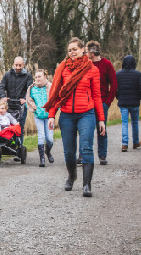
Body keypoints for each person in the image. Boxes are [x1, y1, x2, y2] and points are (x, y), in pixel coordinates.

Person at [44, 37, 105, 198]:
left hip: (87, 113)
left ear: (82, 50)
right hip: (66, 115)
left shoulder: (92, 69)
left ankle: (87, 185)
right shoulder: (62, 69)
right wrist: (51, 115)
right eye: (69, 50)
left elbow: (97, 96)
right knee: (69, 152)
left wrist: (101, 119)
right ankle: (72, 176)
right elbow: (55, 94)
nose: (72, 52)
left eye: (75, 49)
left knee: (86, 148)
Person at [85, 41, 117, 165]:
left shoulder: (107, 65)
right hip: (87, 101)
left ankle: (102, 155)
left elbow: (114, 84)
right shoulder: (85, 64)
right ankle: (83, 155)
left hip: (102, 101)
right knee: (86, 129)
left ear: (92, 52)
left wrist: (108, 102)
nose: (85, 53)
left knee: (101, 128)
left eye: (87, 51)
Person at [0, 56, 33, 148]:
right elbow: (2, 86)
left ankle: (19, 148)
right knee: (6, 124)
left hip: (20, 105)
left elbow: (30, 89)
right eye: (16, 65)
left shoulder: (28, 76)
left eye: (20, 65)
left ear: (23, 65)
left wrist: (25, 98)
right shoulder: (7, 75)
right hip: (9, 105)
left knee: (19, 126)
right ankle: (8, 145)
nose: (18, 67)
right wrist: (3, 97)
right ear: (13, 64)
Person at [115, 55, 141, 151]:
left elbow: (114, 88)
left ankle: (124, 144)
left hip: (123, 102)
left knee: (124, 123)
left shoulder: (118, 74)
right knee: (135, 123)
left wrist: (118, 97)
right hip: (134, 103)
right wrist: (138, 98)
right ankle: (136, 142)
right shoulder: (138, 74)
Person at [26, 68, 54, 167]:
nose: (37, 78)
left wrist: (53, 112)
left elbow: (56, 99)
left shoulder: (51, 87)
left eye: (39, 76)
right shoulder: (32, 88)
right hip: (38, 115)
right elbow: (28, 99)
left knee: (49, 138)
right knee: (41, 135)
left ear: (45, 77)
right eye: (36, 77)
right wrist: (33, 106)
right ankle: (42, 159)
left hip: (49, 116)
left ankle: (48, 152)